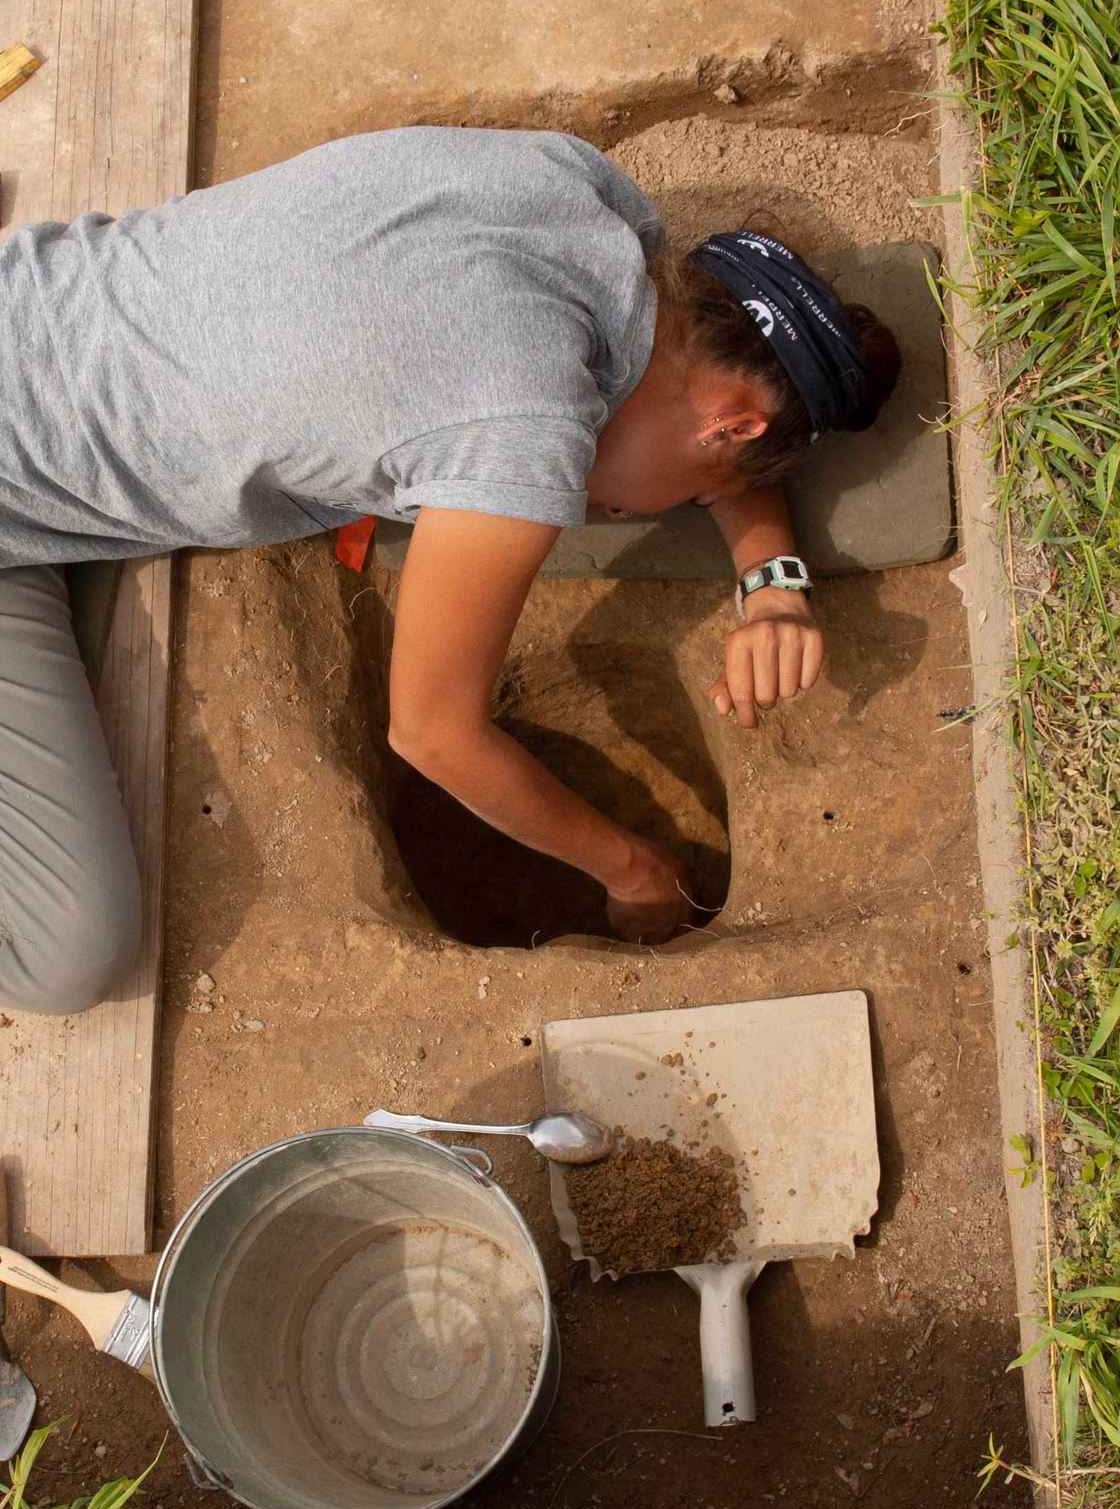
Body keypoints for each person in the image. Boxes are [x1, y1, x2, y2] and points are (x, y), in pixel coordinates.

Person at [0, 127, 899, 1015]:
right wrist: (638, 873)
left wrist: (772, 581)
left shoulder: (570, 190)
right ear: (731, 423)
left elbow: (709, 439)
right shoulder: (524, 433)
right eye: (703, 487)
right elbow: (434, 736)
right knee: (71, 955)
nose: (624, 515)